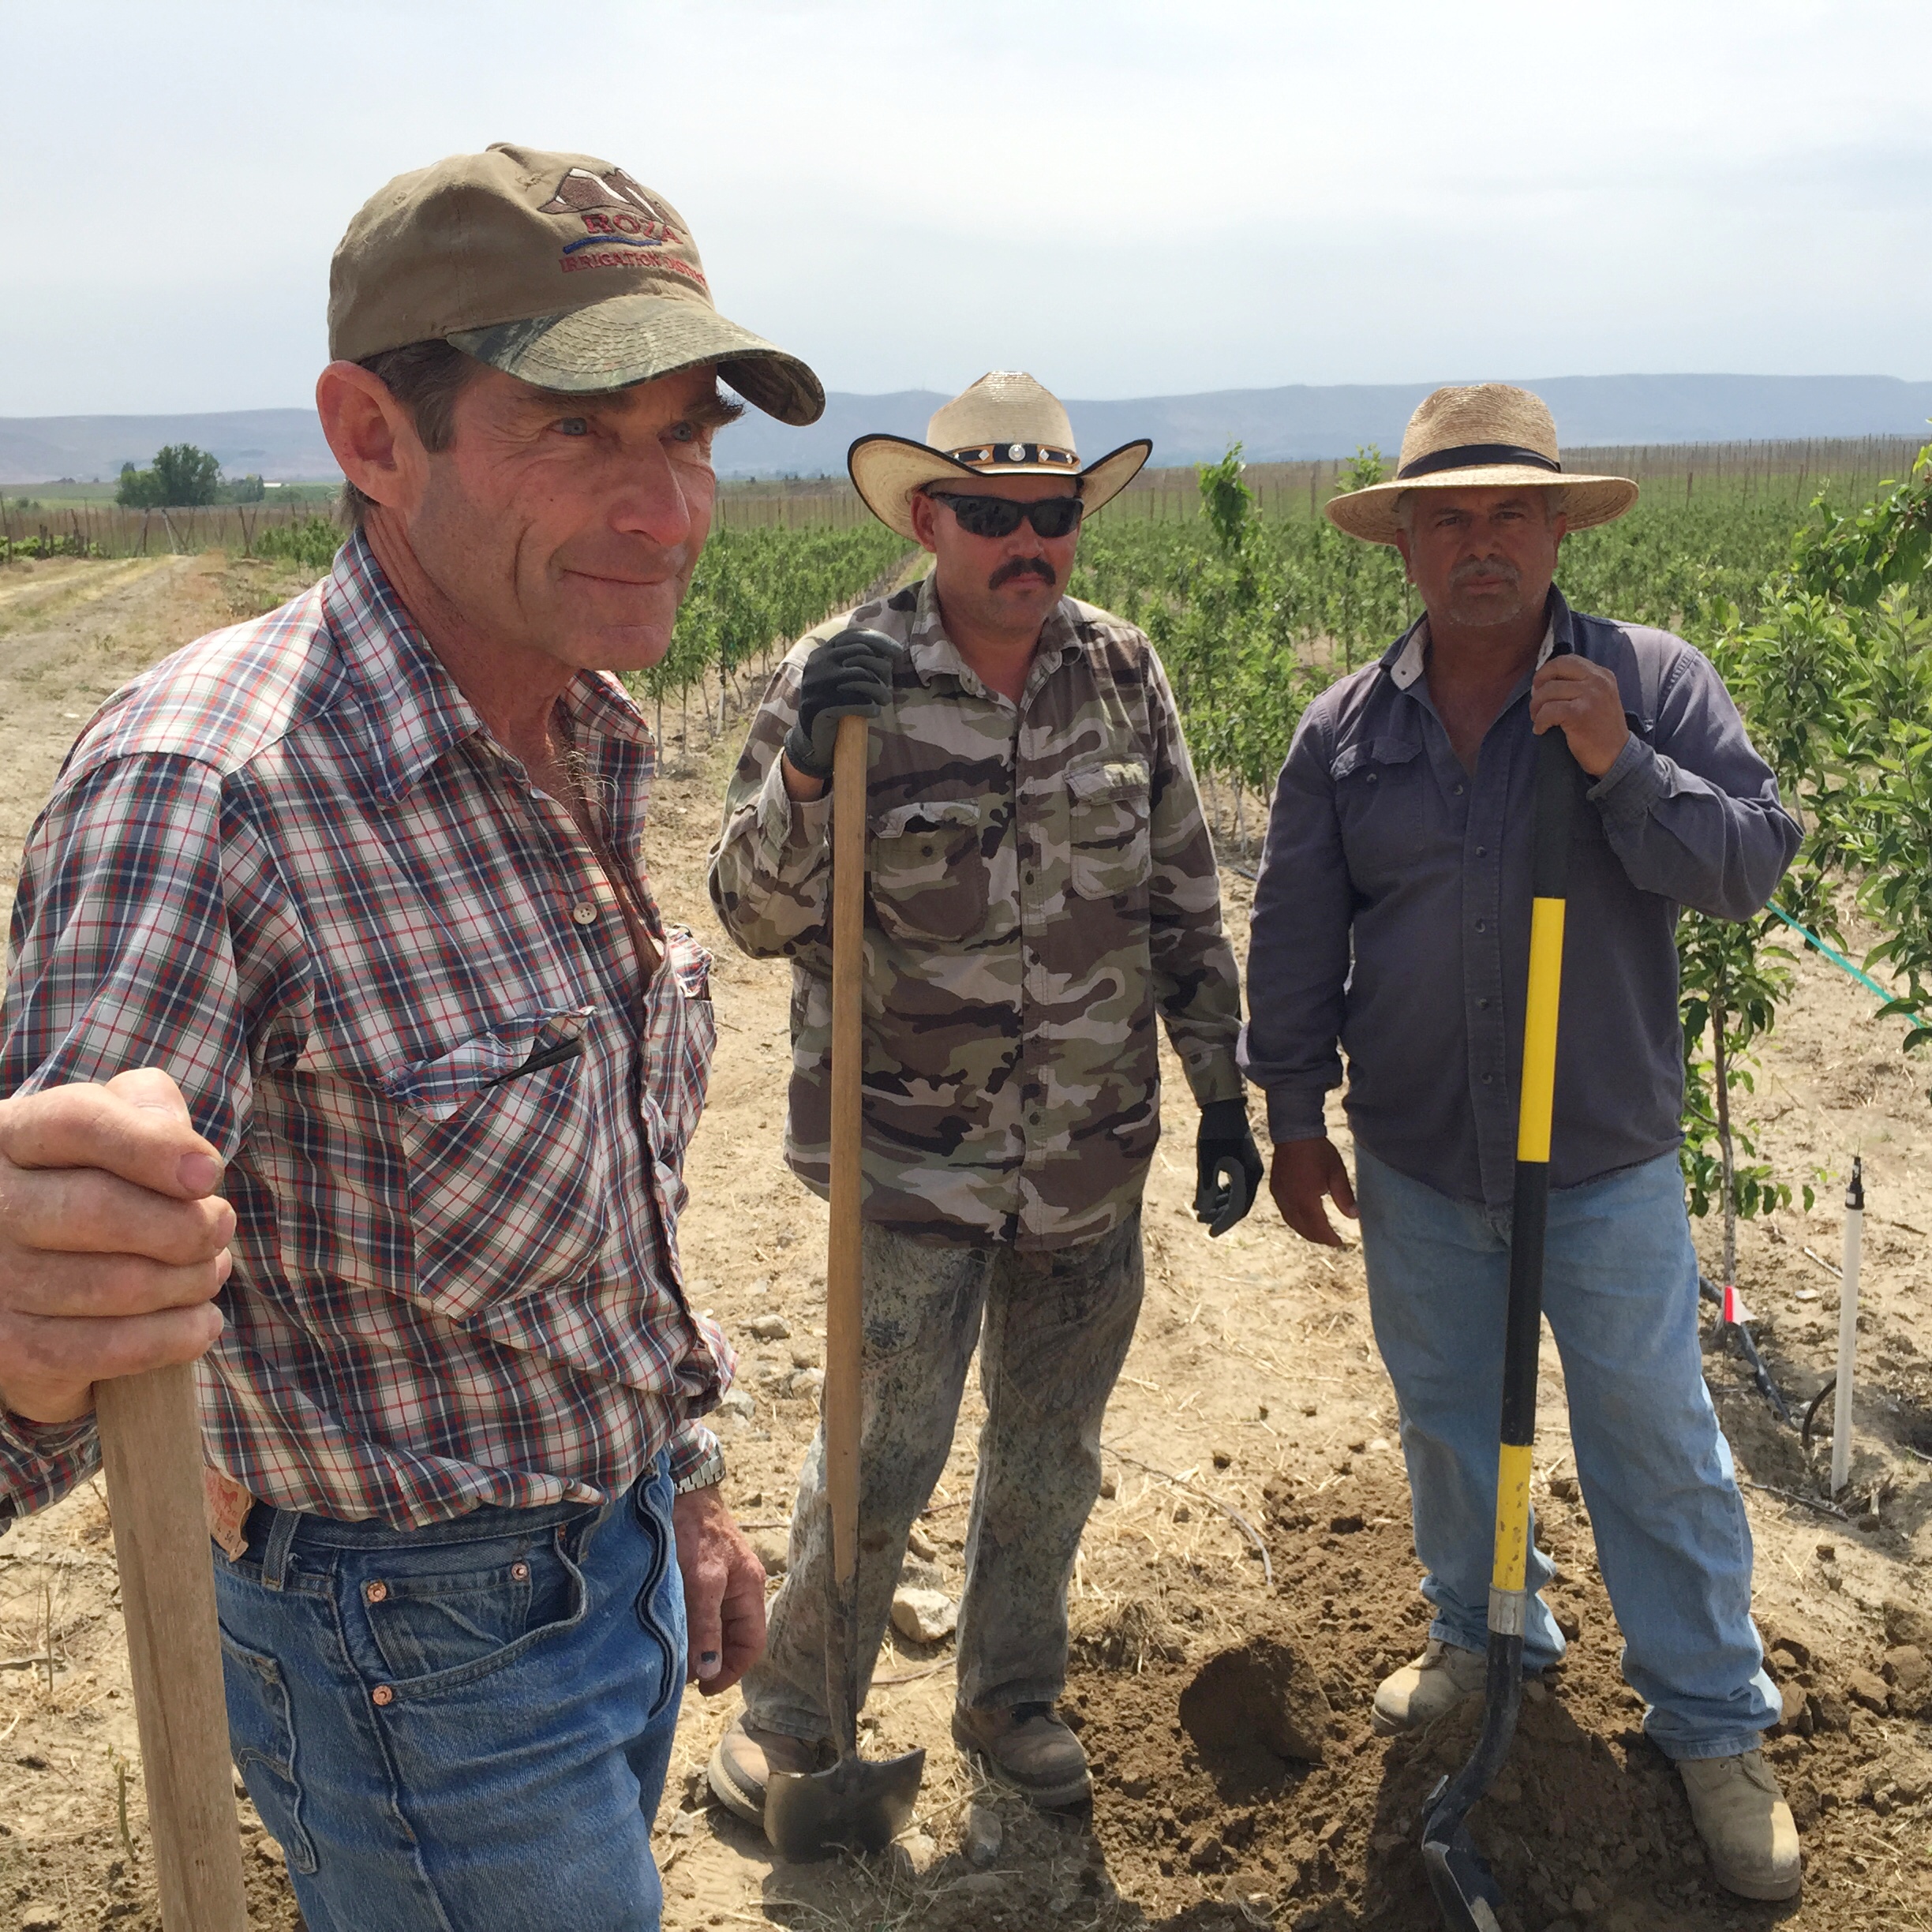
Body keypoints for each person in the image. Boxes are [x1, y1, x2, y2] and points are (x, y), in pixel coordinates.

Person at [0, 144, 826, 1932]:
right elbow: (44, 1356)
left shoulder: (575, 727)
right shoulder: (209, 798)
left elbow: (603, 1218)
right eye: (583, 432)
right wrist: (27, 1330)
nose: (671, 509)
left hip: (600, 1572)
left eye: (688, 435)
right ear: (374, 438)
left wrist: (676, 1495)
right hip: (409, 1666)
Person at [1241, 384, 1806, 1902]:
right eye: (1448, 517)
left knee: (1654, 1443)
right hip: (1425, 1158)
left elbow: (1751, 866)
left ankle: (1710, 1724)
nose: (1479, 543)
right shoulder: (1346, 732)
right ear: (1406, 544)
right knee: (1447, 1418)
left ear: (1557, 529)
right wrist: (1293, 1114)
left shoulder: (1652, 682)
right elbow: (1297, 937)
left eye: (1509, 513)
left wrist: (1624, 766)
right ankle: (1490, 1634)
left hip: (1605, 1159)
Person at [704, 373, 1263, 1818]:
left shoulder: (1124, 673)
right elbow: (752, 912)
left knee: (1047, 1455)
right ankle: (794, 1717)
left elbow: (1187, 895)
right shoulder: (850, 674)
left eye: (1056, 515)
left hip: (1089, 1149)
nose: (1033, 541)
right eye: (998, 514)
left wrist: (1221, 1092)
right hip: (911, 1157)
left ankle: (1011, 1695)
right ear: (933, 516)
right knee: (879, 1449)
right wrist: (812, 785)